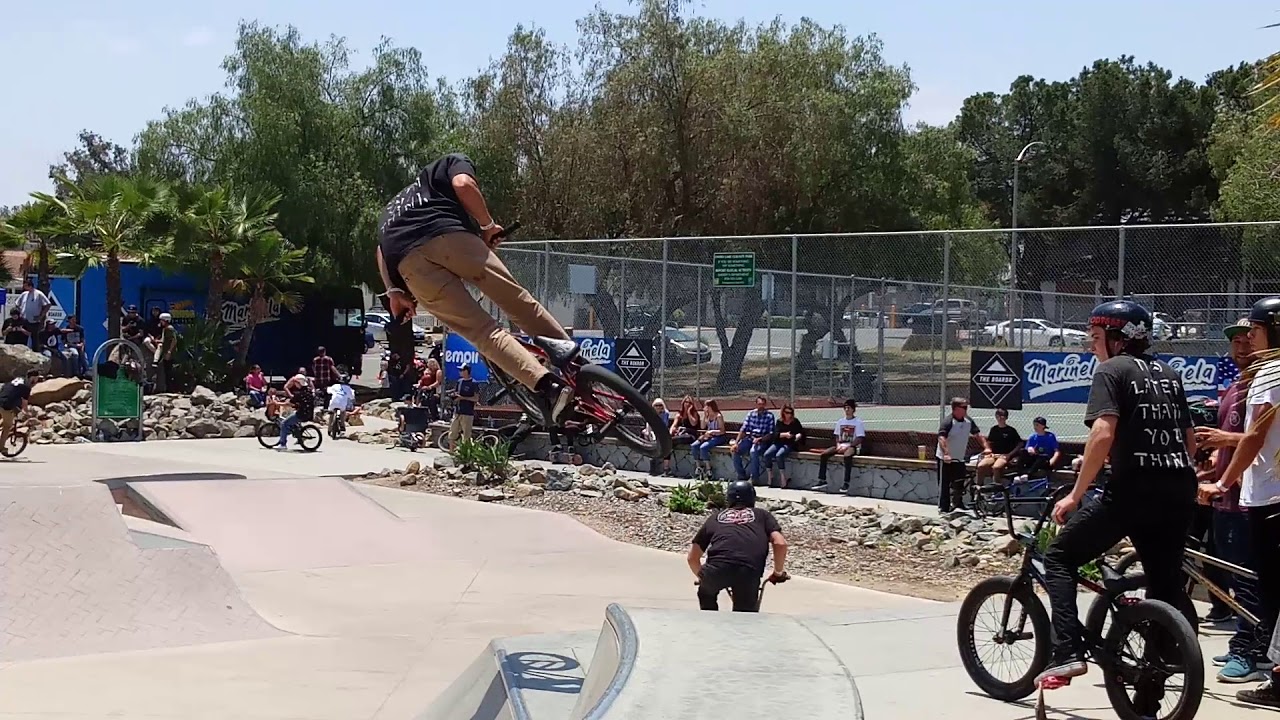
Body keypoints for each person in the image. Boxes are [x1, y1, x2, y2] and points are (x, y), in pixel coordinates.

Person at [1036, 300, 1197, 705]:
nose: (1092, 347)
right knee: (1163, 586)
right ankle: (1149, 694)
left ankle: (1067, 651)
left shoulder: (1111, 371)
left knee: (1058, 558)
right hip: (1179, 489)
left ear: (1117, 339)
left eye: (1095, 338)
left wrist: (1076, 493)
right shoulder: (1170, 374)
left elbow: (1103, 434)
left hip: (1133, 490)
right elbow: (1189, 439)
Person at [375, 152, 574, 425]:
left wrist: (393, 292)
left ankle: (548, 387)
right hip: (451, 236)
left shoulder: (389, 211)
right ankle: (575, 365)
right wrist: (487, 226)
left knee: (483, 332)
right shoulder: (447, 163)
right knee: (516, 301)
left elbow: (381, 251)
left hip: (411, 265)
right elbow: (463, 185)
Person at [1202, 297, 1280, 708]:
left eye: (1256, 331)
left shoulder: (1271, 373)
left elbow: (1255, 438)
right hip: (1265, 494)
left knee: (1266, 592)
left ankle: (1262, 665)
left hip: (1268, 499)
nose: (1248, 340)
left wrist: (1223, 482)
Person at [687, 480, 789, 612]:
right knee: (745, 619)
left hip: (716, 570)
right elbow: (780, 543)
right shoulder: (762, 515)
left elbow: (692, 558)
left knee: (706, 595)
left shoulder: (715, 518)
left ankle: (709, 623)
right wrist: (778, 573)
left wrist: (703, 578)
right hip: (748, 571)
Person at [936, 397, 989, 512]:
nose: (966, 409)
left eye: (966, 407)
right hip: (945, 459)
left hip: (959, 458)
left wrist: (986, 447)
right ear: (955, 409)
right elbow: (941, 438)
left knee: (959, 482)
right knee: (944, 484)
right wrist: (946, 454)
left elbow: (977, 435)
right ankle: (944, 507)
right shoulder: (948, 422)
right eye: (964, 407)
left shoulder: (968, 421)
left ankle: (958, 503)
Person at [814, 399, 866, 493]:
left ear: (853, 409)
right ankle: (822, 480)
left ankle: (846, 483)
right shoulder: (840, 421)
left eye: (849, 408)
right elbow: (837, 436)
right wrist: (838, 445)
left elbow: (860, 438)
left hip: (851, 446)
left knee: (847, 456)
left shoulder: (858, 422)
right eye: (845, 408)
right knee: (824, 454)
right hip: (840, 445)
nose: (847, 410)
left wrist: (849, 446)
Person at [732, 396, 776, 485]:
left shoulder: (769, 416)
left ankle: (754, 478)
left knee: (753, 451)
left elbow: (771, 433)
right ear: (756, 404)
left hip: (762, 440)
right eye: (759, 404)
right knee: (735, 450)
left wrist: (760, 439)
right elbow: (743, 429)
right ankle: (741, 475)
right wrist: (736, 443)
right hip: (750, 438)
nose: (761, 406)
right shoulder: (751, 414)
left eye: (763, 404)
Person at [975, 408, 1022, 486]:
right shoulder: (994, 429)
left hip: (1004, 455)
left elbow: (1020, 444)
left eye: (1002, 416)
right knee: (981, 466)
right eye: (998, 416)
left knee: (996, 467)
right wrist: (988, 450)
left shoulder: (1011, 430)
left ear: (1006, 418)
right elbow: (989, 442)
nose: (1000, 418)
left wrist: (1009, 454)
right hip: (993, 455)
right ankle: (979, 487)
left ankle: (996, 489)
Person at [763, 405, 804, 489]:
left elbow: (801, 432)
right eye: (786, 413)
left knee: (779, 455)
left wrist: (798, 435)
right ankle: (770, 475)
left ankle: (783, 477)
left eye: (790, 413)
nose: (788, 415)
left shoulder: (795, 422)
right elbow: (775, 434)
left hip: (789, 443)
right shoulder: (779, 421)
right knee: (767, 454)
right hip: (778, 442)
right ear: (783, 413)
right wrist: (784, 434)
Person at [276, 370, 316, 450]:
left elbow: (289, 403)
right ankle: (297, 433)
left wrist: (277, 403)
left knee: (284, 423)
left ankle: (283, 444)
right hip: (309, 413)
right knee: (293, 419)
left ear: (298, 383)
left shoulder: (299, 394)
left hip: (301, 414)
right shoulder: (308, 391)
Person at [0, 370, 40, 451]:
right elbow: (24, 404)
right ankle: (1, 447)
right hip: (5, 404)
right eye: (36, 379)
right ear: (32, 378)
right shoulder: (26, 387)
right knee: (7, 426)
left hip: (1, 398)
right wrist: (27, 413)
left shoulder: (17, 380)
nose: (36, 381)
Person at [690, 400, 727, 479]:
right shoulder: (707, 416)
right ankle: (698, 467)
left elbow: (722, 430)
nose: (704, 408)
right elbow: (702, 427)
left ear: (710, 407)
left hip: (719, 437)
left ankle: (708, 469)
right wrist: (705, 416)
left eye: (705, 406)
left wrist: (712, 431)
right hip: (709, 436)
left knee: (703, 447)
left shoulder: (718, 416)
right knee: (694, 446)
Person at [448, 363, 479, 446]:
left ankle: (465, 454)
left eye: (461, 370)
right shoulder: (459, 381)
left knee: (466, 435)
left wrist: (463, 398)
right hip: (457, 411)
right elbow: (457, 393)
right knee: (452, 433)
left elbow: (476, 398)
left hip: (467, 412)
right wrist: (454, 396)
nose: (460, 372)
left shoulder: (473, 383)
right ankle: (451, 452)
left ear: (466, 371)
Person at [15, 278, 50, 347]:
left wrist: (41, 316)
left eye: (25, 286)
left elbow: (48, 304)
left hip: (34, 321)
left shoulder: (39, 294)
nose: (24, 287)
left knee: (35, 338)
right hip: (24, 319)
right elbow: (17, 304)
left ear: (30, 286)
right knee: (23, 337)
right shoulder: (24, 294)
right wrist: (20, 313)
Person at [648, 398, 672, 475]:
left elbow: (664, 425)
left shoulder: (665, 413)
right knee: (651, 441)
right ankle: (653, 467)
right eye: (656, 405)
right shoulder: (651, 413)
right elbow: (649, 424)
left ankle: (666, 469)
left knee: (666, 446)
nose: (658, 407)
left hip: (662, 433)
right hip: (652, 432)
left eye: (660, 405)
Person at [155, 313, 177, 392]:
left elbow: (174, 340)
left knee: (169, 371)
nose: (160, 322)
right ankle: (168, 388)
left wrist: (169, 351)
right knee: (166, 371)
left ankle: (171, 389)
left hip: (168, 353)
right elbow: (165, 340)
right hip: (165, 352)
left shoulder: (169, 329)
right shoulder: (165, 329)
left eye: (162, 320)